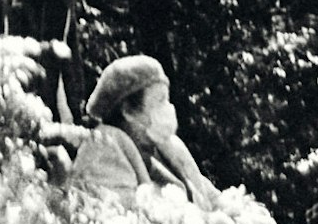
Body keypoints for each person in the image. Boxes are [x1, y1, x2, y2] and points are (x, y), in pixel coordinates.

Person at [65, 51, 219, 207]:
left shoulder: (166, 150)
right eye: (160, 100)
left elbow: (214, 199)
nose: (168, 108)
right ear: (128, 111)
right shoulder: (103, 146)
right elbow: (122, 213)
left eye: (167, 100)